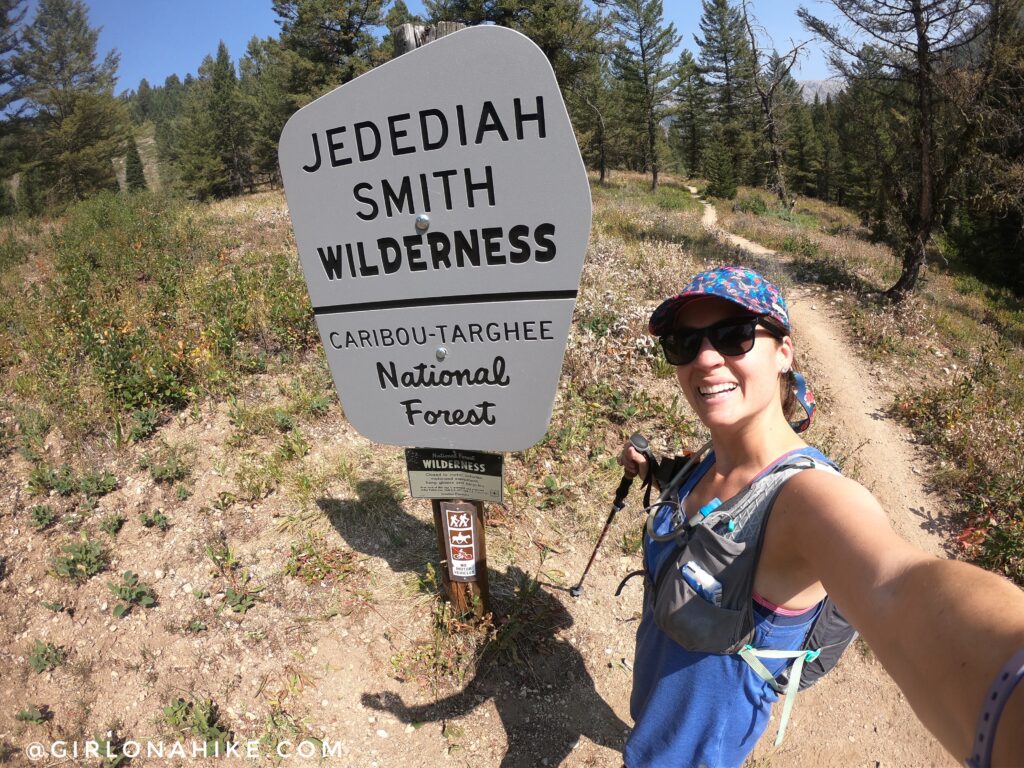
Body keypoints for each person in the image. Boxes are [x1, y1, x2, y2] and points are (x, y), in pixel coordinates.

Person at [617, 266, 1024, 768]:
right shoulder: (707, 461)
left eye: (733, 336)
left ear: (783, 351)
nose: (704, 358)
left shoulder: (807, 499)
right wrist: (656, 471)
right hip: (651, 724)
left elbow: (897, 584)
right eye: (684, 342)